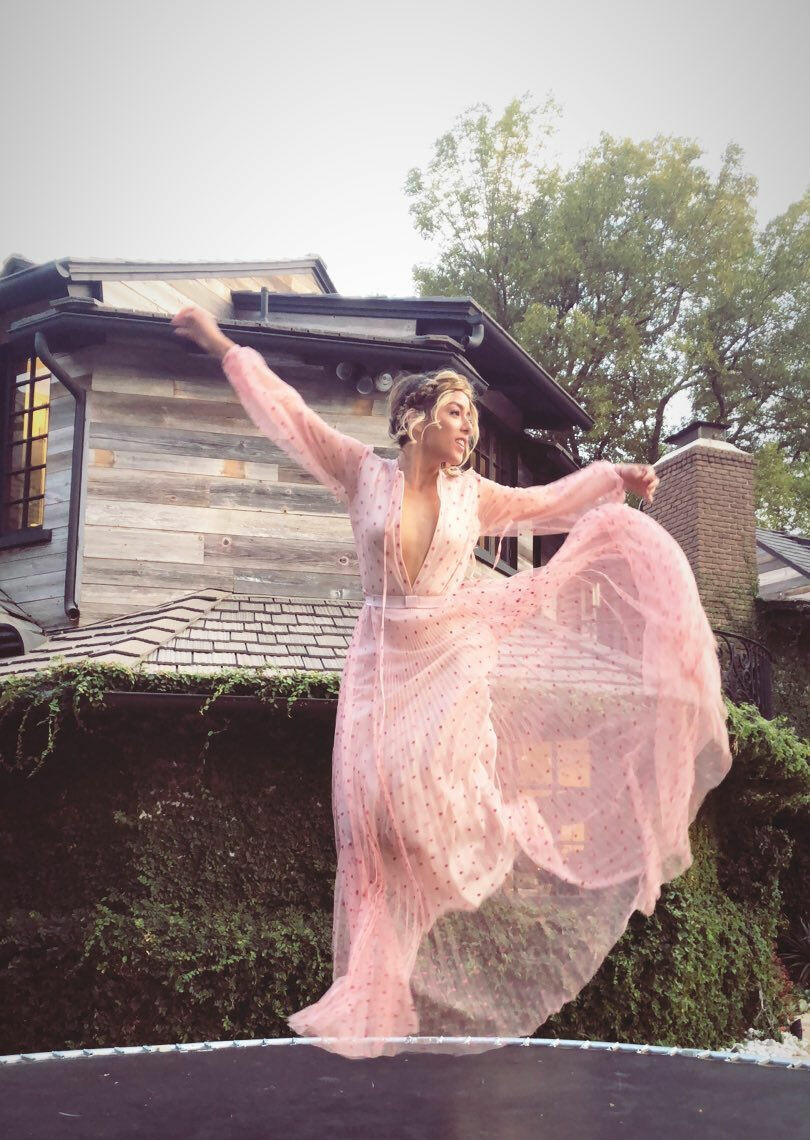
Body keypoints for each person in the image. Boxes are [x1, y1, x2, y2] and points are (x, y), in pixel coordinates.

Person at [171, 304, 732, 1060]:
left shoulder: (475, 497)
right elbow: (291, 415)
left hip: (451, 657)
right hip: (381, 665)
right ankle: (379, 986)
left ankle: (505, 831)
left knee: (433, 807)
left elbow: (548, 504)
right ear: (414, 419)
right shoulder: (361, 474)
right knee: (375, 822)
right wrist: (221, 345)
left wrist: (613, 479)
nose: (468, 429)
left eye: (471, 417)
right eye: (457, 413)